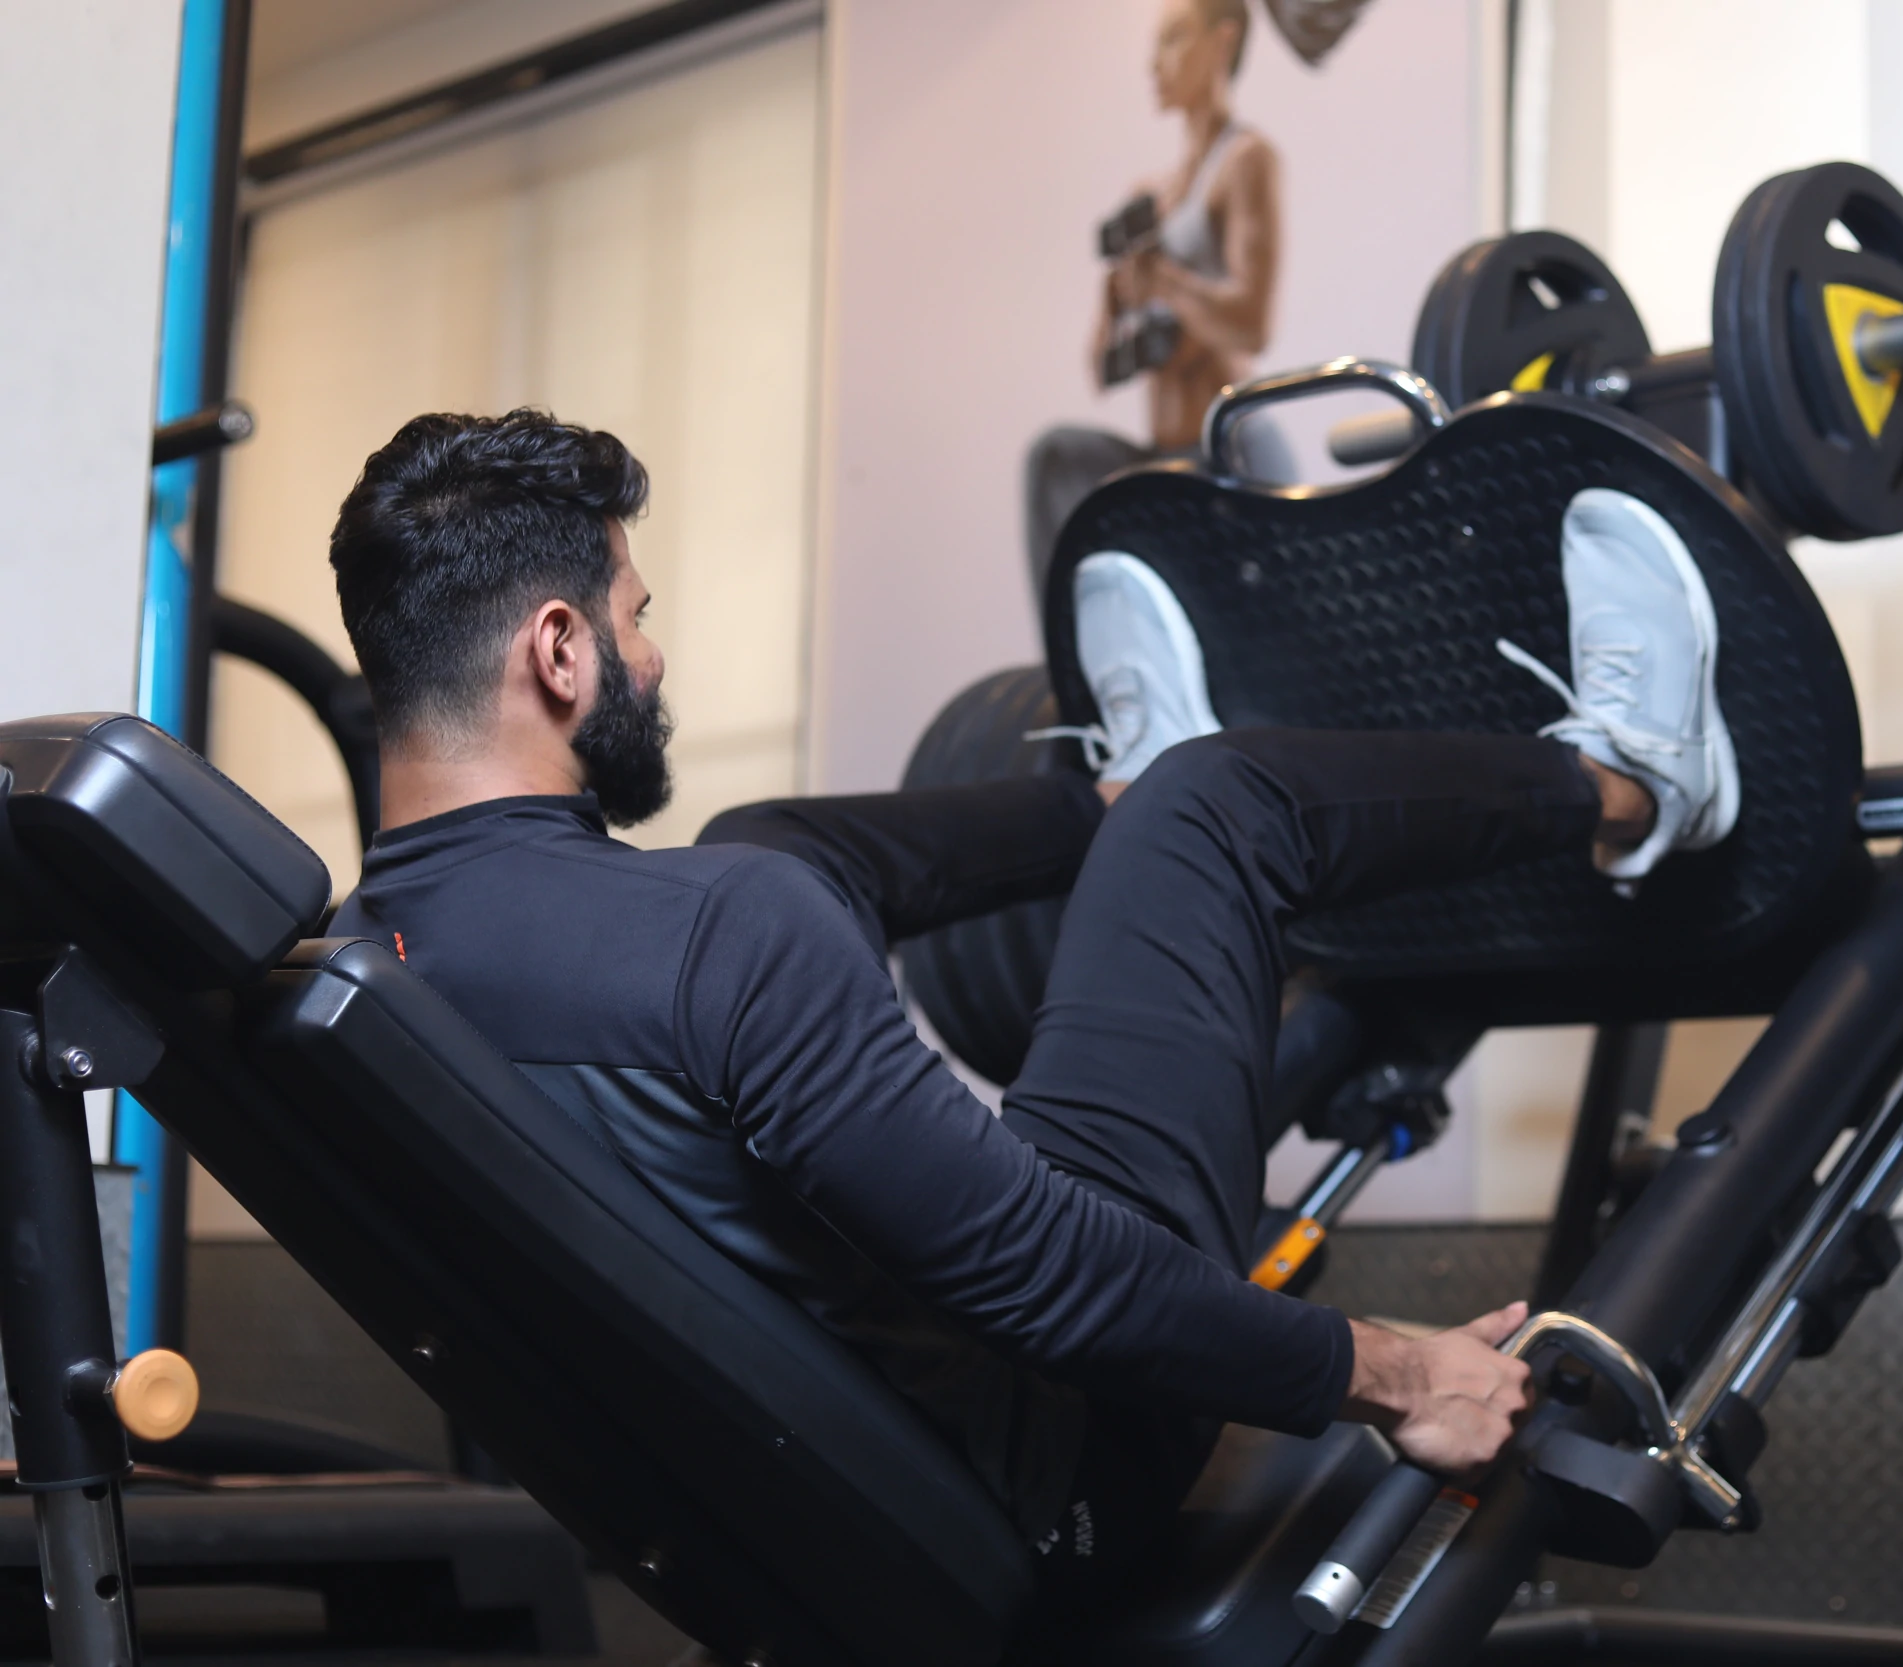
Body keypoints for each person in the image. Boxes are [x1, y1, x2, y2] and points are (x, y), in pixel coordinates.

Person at [325, 409, 1738, 1622]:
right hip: (1061, 1470)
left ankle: (1105, 792)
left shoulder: (353, 977)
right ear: (558, 650)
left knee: (762, 835)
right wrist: (1396, 1370)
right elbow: (1051, 1272)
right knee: (1217, 805)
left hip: (787, 1534)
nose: (656, 658)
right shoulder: (716, 938)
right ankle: (1632, 779)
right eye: (638, 618)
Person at [1027, 0, 1288, 603]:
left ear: (1222, 43)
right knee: (1056, 458)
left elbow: (1252, 323)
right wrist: (1116, 299)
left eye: (1174, 39)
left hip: (1222, 450)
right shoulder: (1149, 197)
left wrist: (1166, 282)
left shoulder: (1245, 162)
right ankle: (1074, 656)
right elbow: (1101, 369)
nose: (1154, 63)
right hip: (1160, 455)